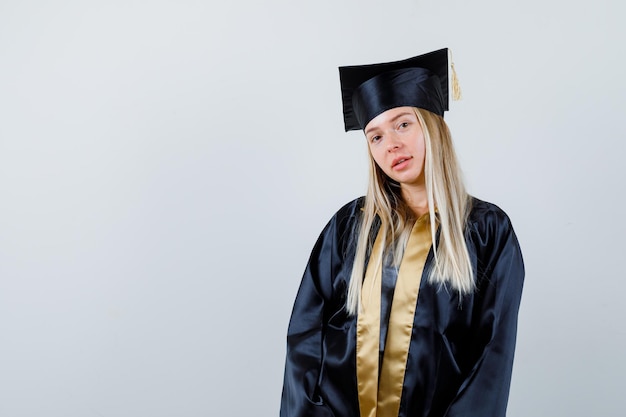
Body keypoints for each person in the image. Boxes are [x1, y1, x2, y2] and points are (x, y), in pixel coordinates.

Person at [280, 48, 524, 417]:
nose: (391, 143)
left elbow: (493, 355)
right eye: (375, 137)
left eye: (403, 124)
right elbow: (304, 339)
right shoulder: (349, 227)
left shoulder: (486, 231)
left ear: (433, 126)